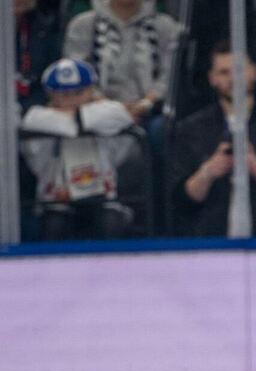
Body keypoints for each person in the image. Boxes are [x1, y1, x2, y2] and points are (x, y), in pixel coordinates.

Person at [168, 39, 256, 237]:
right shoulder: (191, 130)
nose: (233, 79)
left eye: (238, 70)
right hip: (209, 240)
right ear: (212, 78)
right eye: (224, 72)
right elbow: (180, 201)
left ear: (254, 72)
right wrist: (208, 172)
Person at [20, 58, 135, 240]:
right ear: (51, 94)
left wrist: (79, 117)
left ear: (91, 90)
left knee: (110, 223)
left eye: (79, 92)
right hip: (57, 202)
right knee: (54, 226)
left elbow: (122, 114)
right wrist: (81, 120)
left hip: (102, 199)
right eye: (64, 94)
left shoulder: (106, 113)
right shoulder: (37, 117)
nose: (72, 99)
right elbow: (38, 121)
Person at [63, 0, 181, 128]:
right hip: (96, 108)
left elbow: (169, 74)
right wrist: (113, 109)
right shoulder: (83, 24)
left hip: (151, 110)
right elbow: (77, 72)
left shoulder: (165, 25)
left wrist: (146, 103)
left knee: (162, 126)